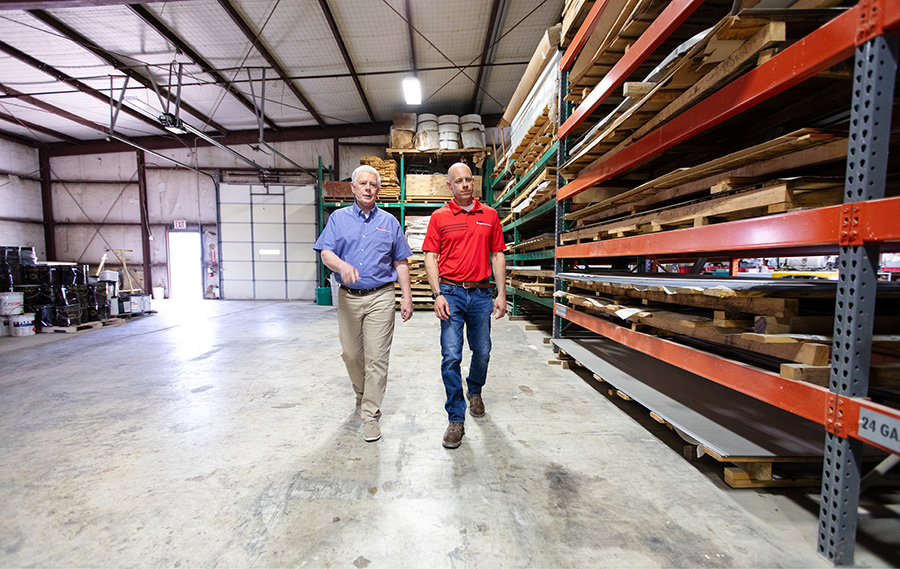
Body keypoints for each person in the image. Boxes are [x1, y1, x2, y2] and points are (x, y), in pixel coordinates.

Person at [313, 164, 413, 443]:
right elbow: (325, 253)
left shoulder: (390, 222)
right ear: (353, 188)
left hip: (381, 296)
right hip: (348, 297)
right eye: (363, 184)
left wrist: (407, 296)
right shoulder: (338, 218)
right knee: (352, 355)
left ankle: (370, 414)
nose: (368, 188)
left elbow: (400, 262)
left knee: (377, 359)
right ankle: (362, 394)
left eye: (373, 184)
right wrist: (342, 266)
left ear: (378, 190)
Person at [423, 162, 507, 449]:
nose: (465, 185)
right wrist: (437, 294)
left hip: (482, 294)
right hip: (451, 293)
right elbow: (431, 257)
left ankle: (475, 390)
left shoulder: (490, 215)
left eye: (469, 179)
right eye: (459, 181)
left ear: (474, 182)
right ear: (450, 185)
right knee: (450, 355)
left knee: (482, 350)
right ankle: (456, 418)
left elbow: (497, 256)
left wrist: (502, 293)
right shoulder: (439, 217)